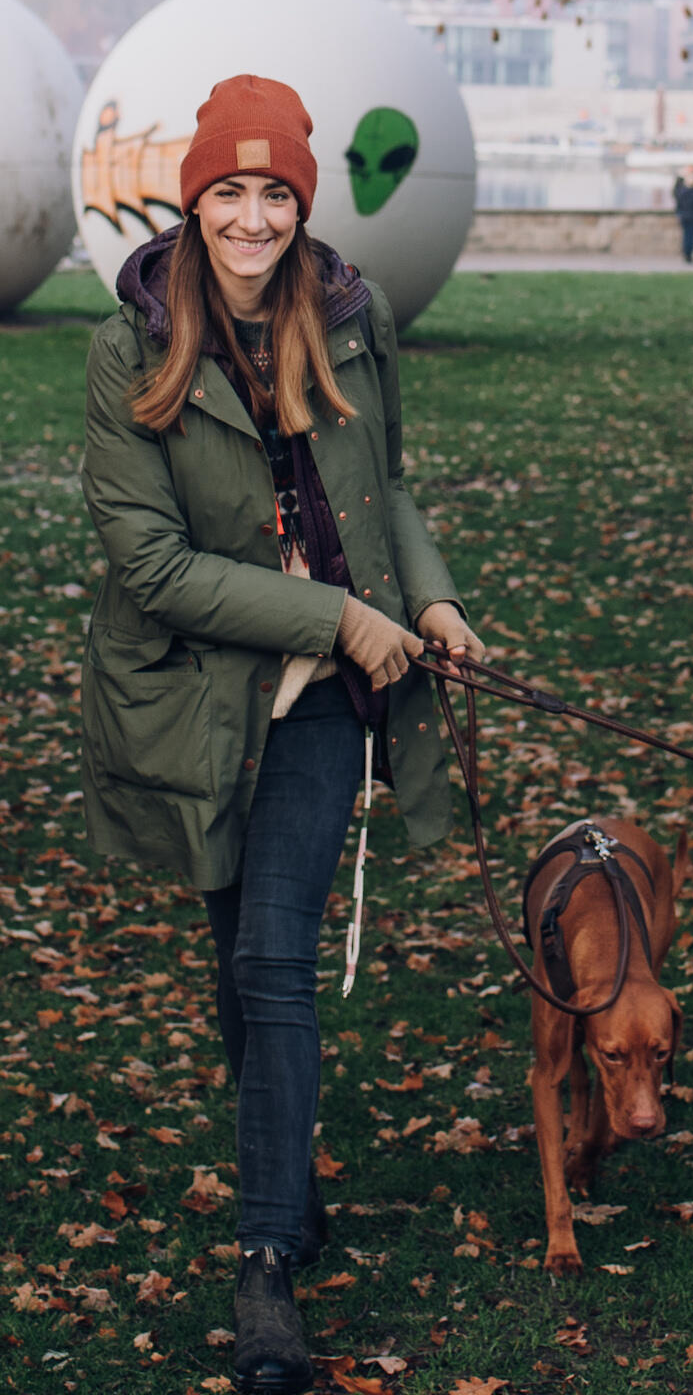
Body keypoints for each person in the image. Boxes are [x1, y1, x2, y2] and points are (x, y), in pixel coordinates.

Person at [80, 74, 484, 1395]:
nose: (251, 218)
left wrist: (423, 595)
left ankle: (265, 1266)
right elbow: (151, 565)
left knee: (275, 961)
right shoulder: (128, 349)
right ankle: (287, 1177)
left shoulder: (352, 322)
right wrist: (330, 613)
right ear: (192, 201)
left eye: (274, 193)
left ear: (300, 203)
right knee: (235, 968)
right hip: (200, 701)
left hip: (321, 706)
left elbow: (391, 482)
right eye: (227, 191)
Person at [671, 164, 693, 263]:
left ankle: (687, 253)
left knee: (687, 235)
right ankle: (688, 254)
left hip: (684, 215)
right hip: (692, 215)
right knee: (690, 235)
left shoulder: (680, 190)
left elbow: (675, 194)